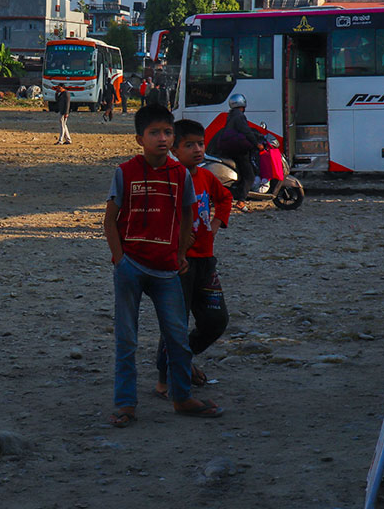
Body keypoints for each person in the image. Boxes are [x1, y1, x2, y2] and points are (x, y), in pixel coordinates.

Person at [103, 104, 224, 428]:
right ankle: (125, 405)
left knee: (177, 338)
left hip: (169, 270)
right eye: (154, 132)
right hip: (131, 269)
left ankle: (181, 397)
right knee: (126, 339)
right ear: (139, 138)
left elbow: (188, 215)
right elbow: (109, 221)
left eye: (167, 132)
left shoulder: (180, 175)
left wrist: (181, 253)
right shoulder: (124, 172)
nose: (162, 138)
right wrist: (119, 260)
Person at [155, 118, 232, 397]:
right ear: (174, 149)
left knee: (216, 321)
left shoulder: (207, 176)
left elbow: (225, 199)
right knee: (175, 321)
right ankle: (165, 378)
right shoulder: (167, 178)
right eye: (190, 145)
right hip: (178, 263)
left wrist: (215, 225)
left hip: (205, 260)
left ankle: (182, 359)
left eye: (200, 143)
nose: (198, 149)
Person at [208, 93, 265, 210]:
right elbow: (246, 132)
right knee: (249, 175)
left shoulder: (231, 115)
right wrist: (257, 144)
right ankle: (241, 201)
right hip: (239, 150)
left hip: (229, 149)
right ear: (243, 105)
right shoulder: (240, 116)